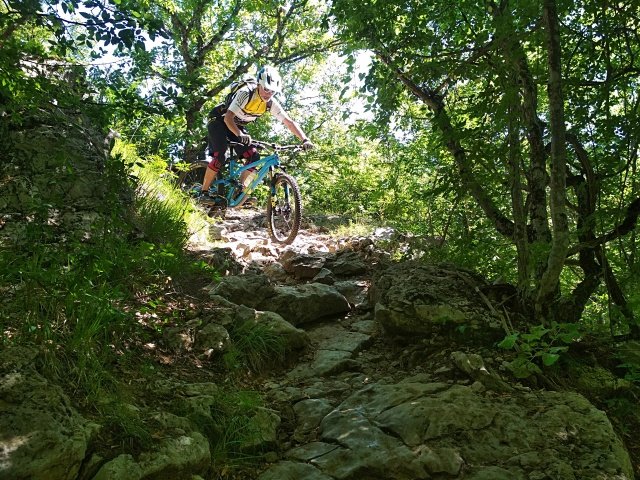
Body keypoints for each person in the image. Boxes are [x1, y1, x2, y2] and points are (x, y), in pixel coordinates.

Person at [198, 65, 314, 203]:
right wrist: (239, 134)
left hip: (236, 125)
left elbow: (289, 122)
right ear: (259, 84)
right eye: (266, 89)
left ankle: (240, 193)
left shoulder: (270, 103)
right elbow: (228, 118)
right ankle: (203, 192)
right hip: (219, 120)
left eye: (272, 91)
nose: (268, 94)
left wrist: (305, 139)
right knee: (220, 156)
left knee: (253, 156)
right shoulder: (246, 93)